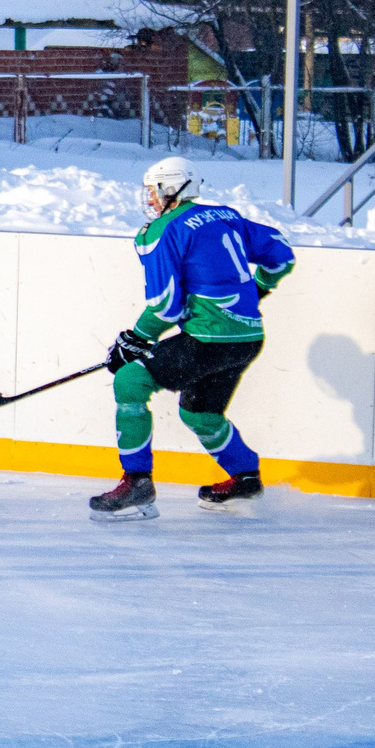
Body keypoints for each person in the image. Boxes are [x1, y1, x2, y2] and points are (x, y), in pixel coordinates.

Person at [88, 155, 296, 521]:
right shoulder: (226, 215)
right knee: (200, 413)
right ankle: (245, 478)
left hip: (207, 339)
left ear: (172, 188)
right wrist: (258, 290)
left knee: (130, 380)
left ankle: (137, 482)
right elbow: (282, 255)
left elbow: (166, 305)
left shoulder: (163, 230)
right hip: (247, 339)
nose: (150, 199)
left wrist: (135, 339)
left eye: (153, 191)